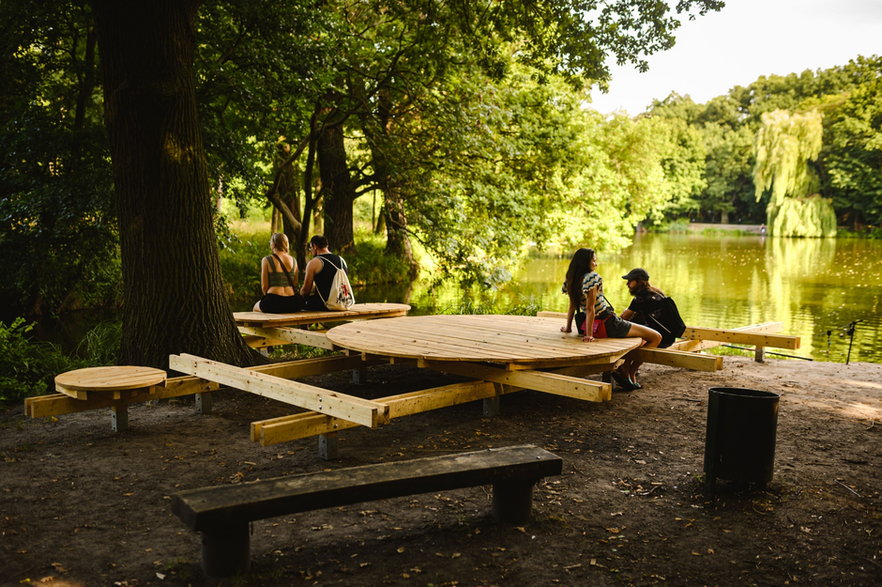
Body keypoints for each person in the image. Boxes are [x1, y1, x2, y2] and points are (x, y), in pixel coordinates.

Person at [560, 248, 661, 391]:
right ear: (585, 262)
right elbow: (590, 308)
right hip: (610, 323)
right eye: (593, 260)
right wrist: (589, 335)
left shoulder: (571, 278)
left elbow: (572, 306)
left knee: (642, 338)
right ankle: (628, 369)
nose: (596, 263)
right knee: (655, 337)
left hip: (595, 324)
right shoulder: (591, 277)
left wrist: (569, 327)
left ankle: (626, 368)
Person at [253, 232, 302, 313]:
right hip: (292, 302)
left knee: (255, 308)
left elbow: (264, 287)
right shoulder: (294, 260)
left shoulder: (267, 260)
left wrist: (268, 297)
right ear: (286, 243)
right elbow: (295, 283)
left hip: (273, 301)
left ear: (273, 244)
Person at [299, 235, 350, 311]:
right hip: (345, 302)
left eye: (310, 248)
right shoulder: (342, 260)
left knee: (298, 304)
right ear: (326, 245)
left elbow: (305, 291)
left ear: (315, 246)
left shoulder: (314, 262)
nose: (311, 250)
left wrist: (298, 297)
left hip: (325, 304)